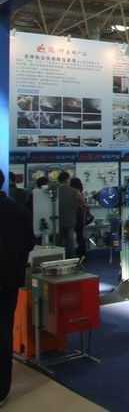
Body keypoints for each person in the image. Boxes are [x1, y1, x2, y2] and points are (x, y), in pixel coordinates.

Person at [0, 170, 35, 407]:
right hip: (10, 281)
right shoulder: (19, 211)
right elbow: (29, 243)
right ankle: (2, 389)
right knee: (4, 331)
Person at [56, 171, 79, 258]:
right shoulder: (74, 191)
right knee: (70, 243)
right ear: (67, 179)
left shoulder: (55, 191)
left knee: (58, 243)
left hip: (57, 221)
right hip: (70, 220)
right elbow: (76, 205)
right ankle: (71, 260)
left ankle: (58, 259)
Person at [69, 178, 89, 258]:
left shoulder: (75, 192)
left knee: (77, 237)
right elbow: (84, 205)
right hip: (81, 217)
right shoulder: (80, 192)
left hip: (76, 217)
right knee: (80, 237)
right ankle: (82, 255)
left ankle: (80, 255)